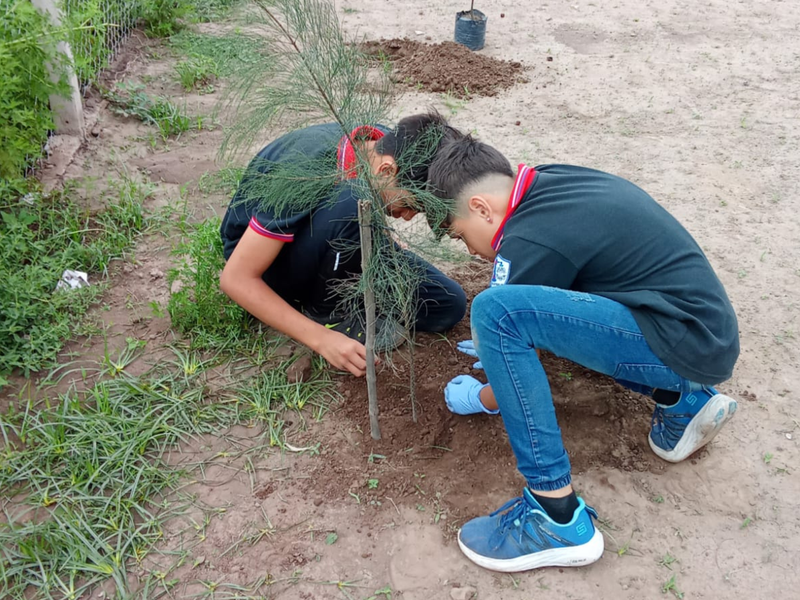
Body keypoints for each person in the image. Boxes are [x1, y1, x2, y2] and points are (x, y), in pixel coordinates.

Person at [425, 137, 740, 572]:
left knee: (495, 313)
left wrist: (481, 398)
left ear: (481, 207)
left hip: (682, 342)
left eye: (462, 236)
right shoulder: (551, 182)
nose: (472, 251)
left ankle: (555, 517)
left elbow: (509, 323)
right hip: (702, 331)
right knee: (533, 311)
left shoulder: (531, 238)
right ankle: (685, 400)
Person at [220, 114, 467, 377]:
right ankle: (327, 317)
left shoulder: (385, 146)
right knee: (352, 200)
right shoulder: (307, 166)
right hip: (270, 260)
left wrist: (381, 237)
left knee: (446, 303)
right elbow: (236, 279)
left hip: (338, 241)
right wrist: (321, 340)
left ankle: (349, 292)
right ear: (386, 171)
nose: (407, 216)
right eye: (410, 206)